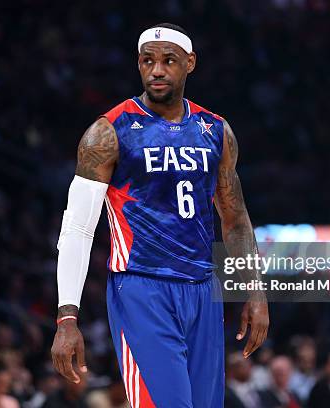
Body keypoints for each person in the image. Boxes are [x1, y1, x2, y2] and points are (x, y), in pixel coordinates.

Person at [51, 22, 269, 407]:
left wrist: (254, 290)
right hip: (142, 289)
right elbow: (77, 229)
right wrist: (67, 316)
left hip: (203, 290)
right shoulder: (108, 132)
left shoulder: (215, 130)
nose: (157, 70)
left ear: (190, 63)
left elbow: (235, 219)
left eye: (168, 61)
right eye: (148, 61)